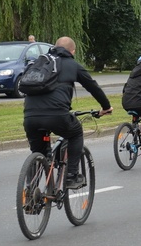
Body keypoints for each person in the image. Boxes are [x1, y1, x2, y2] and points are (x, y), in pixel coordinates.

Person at [23, 36, 113, 189]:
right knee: (76, 132)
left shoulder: (40, 62)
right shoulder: (72, 65)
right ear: (73, 51)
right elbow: (93, 87)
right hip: (57, 115)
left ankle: (31, 192)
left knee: (39, 152)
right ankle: (71, 176)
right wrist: (106, 107)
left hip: (30, 117)